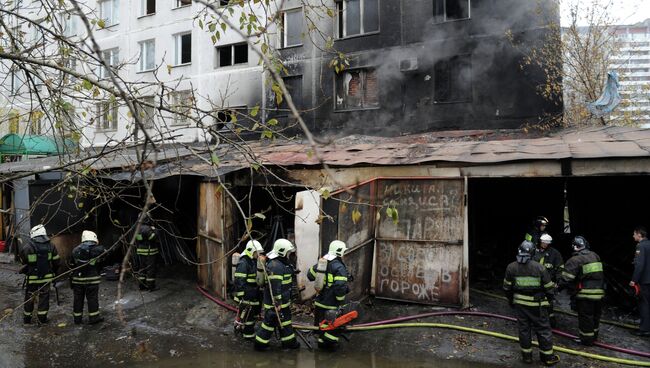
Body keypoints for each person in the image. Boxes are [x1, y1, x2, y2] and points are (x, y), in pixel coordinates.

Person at [503, 240, 559, 366]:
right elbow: (549, 288)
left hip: (520, 305)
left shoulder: (511, 267)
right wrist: (548, 301)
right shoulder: (539, 267)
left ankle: (527, 357)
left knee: (524, 330)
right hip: (537, 305)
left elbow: (507, 288)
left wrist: (511, 301)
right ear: (533, 252)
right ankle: (547, 358)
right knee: (543, 330)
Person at [254, 238, 300, 351]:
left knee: (285, 322)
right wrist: (277, 302)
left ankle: (288, 343)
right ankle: (260, 344)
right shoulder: (275, 266)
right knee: (269, 324)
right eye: (288, 252)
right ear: (282, 252)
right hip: (276, 304)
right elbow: (275, 286)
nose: (290, 255)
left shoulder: (281, 264)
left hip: (282, 303)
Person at [559, 236, 605, 345]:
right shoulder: (595, 255)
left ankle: (587, 340)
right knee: (595, 315)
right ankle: (594, 337)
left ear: (574, 247)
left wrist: (557, 287)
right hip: (599, 292)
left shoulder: (575, 260)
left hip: (585, 294)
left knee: (586, 317)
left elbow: (566, 278)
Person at [307, 240, 350, 351]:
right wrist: (340, 299)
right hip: (331, 305)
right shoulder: (339, 267)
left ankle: (321, 343)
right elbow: (340, 286)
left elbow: (309, 275)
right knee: (332, 328)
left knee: (321, 325)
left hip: (319, 302)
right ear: (339, 252)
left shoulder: (322, 263)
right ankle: (329, 347)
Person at [19, 224, 60, 324]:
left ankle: (27, 319)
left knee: (29, 297)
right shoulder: (51, 245)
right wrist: (54, 272)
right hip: (46, 278)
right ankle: (42, 319)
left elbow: (23, 261)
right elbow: (57, 262)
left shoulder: (28, 247)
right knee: (44, 297)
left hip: (32, 278)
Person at [70, 230, 106, 325]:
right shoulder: (98, 249)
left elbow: (72, 264)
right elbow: (105, 259)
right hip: (92, 280)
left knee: (78, 299)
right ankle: (94, 318)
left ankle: (77, 319)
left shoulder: (75, 250)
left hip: (77, 280)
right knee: (92, 299)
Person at [233, 239, 264, 339]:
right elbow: (239, 280)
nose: (258, 254)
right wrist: (242, 296)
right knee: (248, 317)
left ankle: (246, 330)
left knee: (253, 315)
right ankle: (248, 336)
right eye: (257, 252)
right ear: (251, 251)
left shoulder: (252, 260)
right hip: (247, 295)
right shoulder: (244, 262)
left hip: (253, 293)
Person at [533, 234, 563, 327]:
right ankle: (534, 320)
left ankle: (550, 322)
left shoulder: (555, 253)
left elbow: (560, 268)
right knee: (534, 302)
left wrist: (558, 281)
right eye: (543, 243)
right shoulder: (533, 251)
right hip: (534, 282)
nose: (545, 245)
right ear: (539, 241)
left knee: (548, 302)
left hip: (548, 282)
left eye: (547, 243)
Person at [631, 226, 650, 337]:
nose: (633, 236)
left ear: (639, 234)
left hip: (645, 281)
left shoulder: (640, 246)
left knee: (644, 304)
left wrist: (634, 280)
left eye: (634, 234)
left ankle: (645, 329)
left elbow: (640, 265)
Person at [134, 220, 159, 291]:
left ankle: (141, 286)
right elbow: (152, 237)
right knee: (150, 270)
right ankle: (151, 287)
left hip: (141, 251)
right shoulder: (147, 228)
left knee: (142, 269)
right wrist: (155, 230)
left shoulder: (137, 228)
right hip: (149, 252)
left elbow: (138, 239)